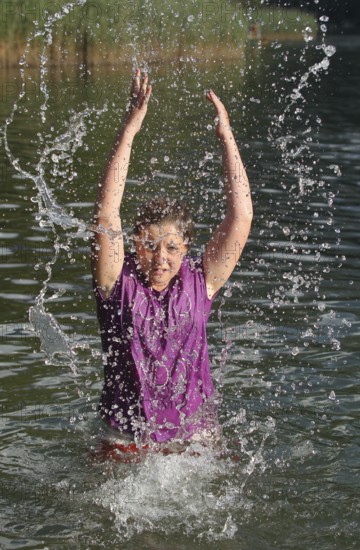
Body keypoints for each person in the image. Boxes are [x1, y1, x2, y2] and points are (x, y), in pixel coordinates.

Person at [91, 69, 253, 454]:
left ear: (186, 249)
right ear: (135, 243)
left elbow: (241, 218)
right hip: (125, 438)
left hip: (194, 438)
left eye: (172, 248)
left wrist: (226, 137)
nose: (160, 258)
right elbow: (106, 215)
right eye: (150, 245)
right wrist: (129, 130)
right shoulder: (118, 281)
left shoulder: (201, 281)